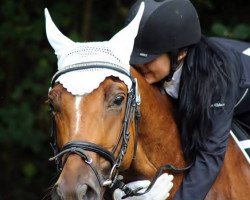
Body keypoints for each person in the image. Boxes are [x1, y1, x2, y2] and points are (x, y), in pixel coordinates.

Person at [118, 0, 250, 199]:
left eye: (148, 59)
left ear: (180, 53)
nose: (138, 65)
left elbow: (210, 154)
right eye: (134, 58)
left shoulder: (214, 81)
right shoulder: (160, 70)